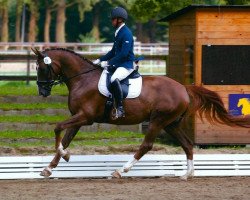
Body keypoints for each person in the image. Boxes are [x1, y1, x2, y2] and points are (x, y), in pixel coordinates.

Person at [93, 7, 135, 119]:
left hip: (126, 64)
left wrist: (108, 63)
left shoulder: (126, 33)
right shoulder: (118, 32)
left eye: (113, 19)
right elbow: (113, 51)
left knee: (113, 79)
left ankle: (120, 108)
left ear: (119, 20)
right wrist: (100, 59)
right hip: (119, 63)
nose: (111, 21)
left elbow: (123, 54)